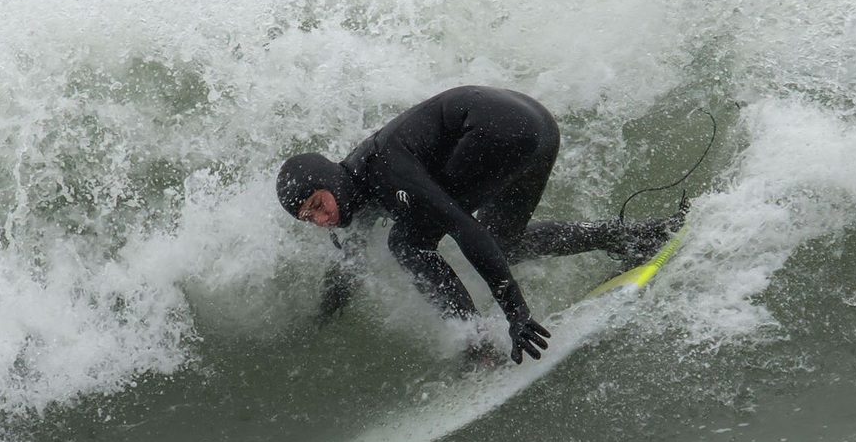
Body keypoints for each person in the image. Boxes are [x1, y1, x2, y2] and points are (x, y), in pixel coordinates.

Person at [276, 86, 683, 364]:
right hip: (537, 125)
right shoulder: (355, 191)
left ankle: (477, 344)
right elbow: (349, 263)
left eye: (318, 204)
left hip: (498, 131)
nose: (322, 218)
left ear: (330, 181)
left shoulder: (383, 167)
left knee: (407, 243)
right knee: (507, 243)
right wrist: (316, 323)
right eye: (308, 217)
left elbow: (465, 229)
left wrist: (516, 314)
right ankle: (636, 237)